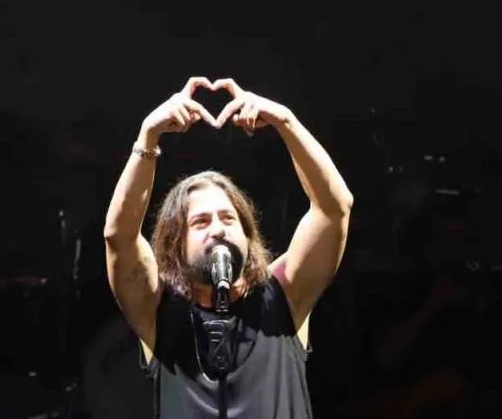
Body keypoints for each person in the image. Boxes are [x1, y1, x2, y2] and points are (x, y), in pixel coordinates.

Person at [103, 77, 354, 418]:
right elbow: (119, 237)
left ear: (248, 235)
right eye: (201, 222)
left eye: (228, 218)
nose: (218, 229)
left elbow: (334, 209)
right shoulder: (157, 312)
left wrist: (285, 121)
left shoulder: (285, 296)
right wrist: (148, 137)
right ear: (176, 245)